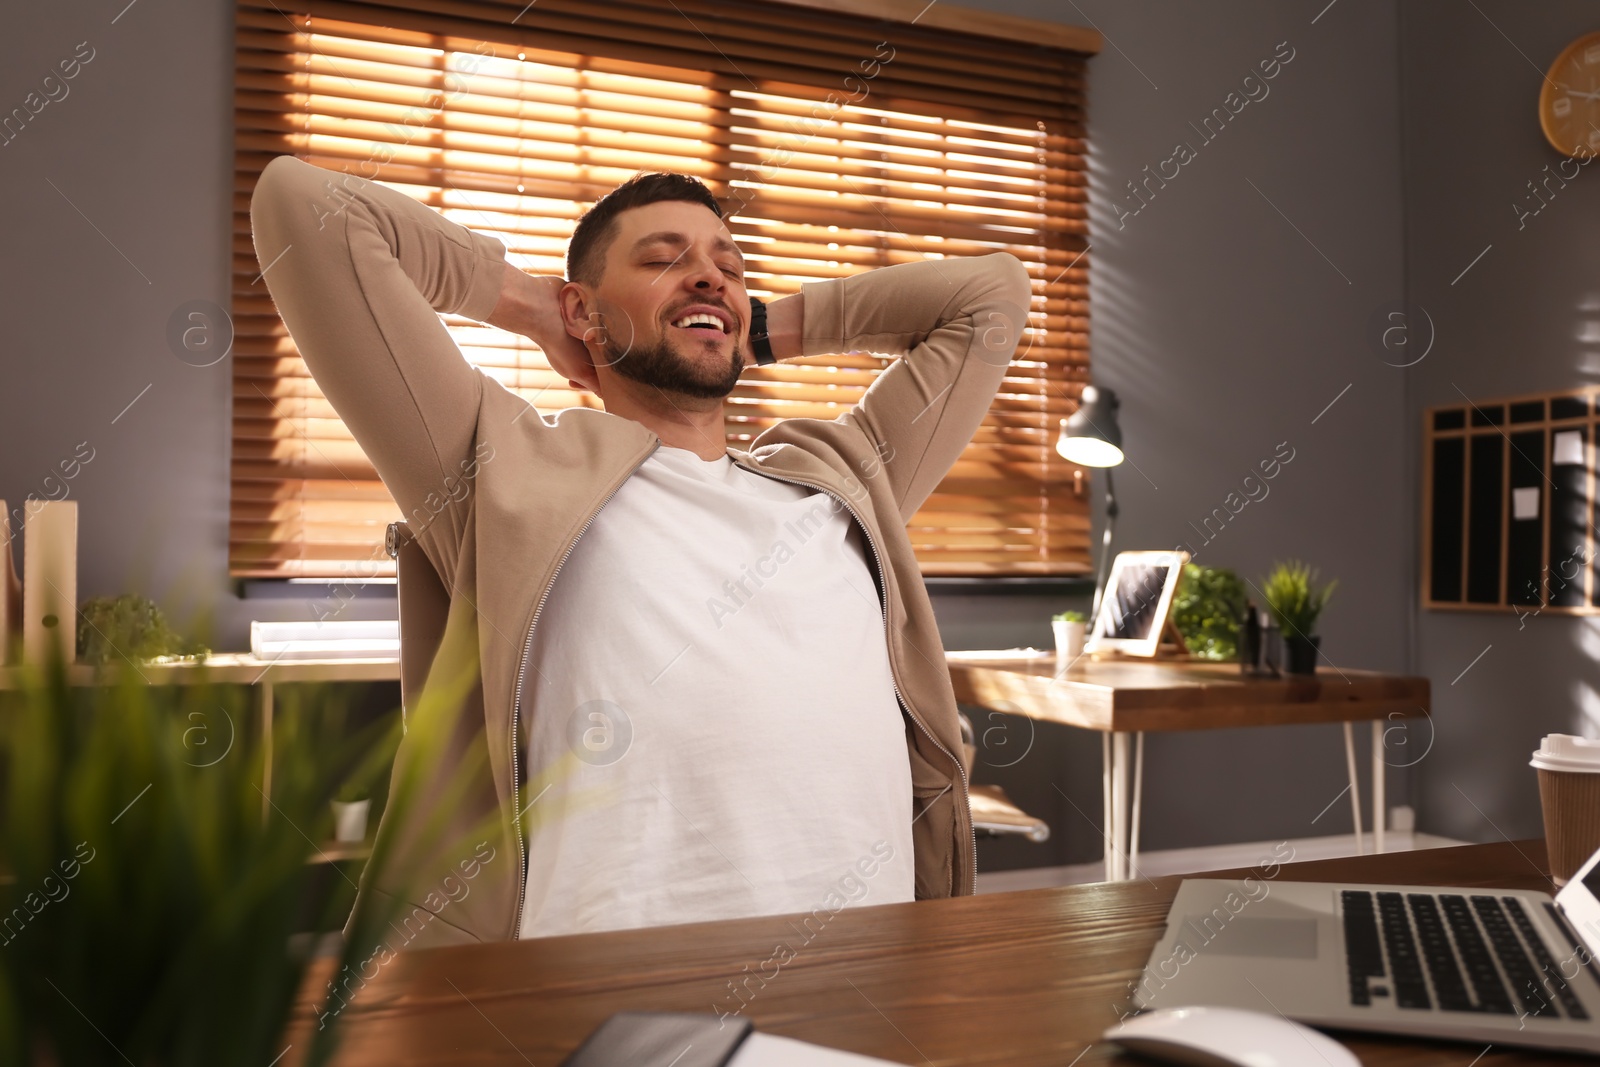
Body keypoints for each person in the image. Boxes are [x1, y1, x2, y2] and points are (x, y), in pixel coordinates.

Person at [250, 156, 1031, 947]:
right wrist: (536, 309)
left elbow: (991, 296)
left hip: (871, 991)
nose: (708, 277)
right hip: (607, 1006)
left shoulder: (845, 476)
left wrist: (759, 326)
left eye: (728, 265)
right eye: (662, 259)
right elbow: (303, 207)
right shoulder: (504, 471)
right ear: (582, 308)